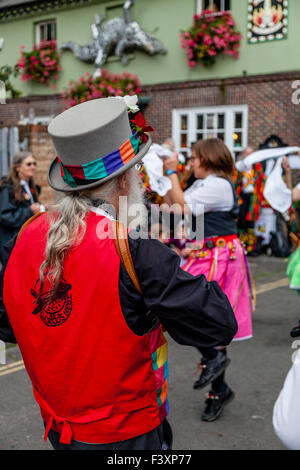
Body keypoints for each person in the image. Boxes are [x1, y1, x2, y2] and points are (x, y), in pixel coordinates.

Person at [0, 97, 238, 450]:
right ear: (126, 182)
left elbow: (9, 326)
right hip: (128, 433)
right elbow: (218, 323)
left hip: (58, 427)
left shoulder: (24, 237)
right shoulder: (135, 249)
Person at [163, 138, 254, 422]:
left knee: (203, 314)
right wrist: (162, 181)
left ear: (207, 158)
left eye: (194, 158)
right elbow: (174, 207)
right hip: (202, 254)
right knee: (183, 308)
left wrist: (170, 173)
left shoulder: (217, 184)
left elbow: (184, 207)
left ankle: (216, 384)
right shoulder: (203, 184)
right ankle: (219, 380)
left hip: (220, 256)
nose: (191, 163)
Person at [0, 151, 44, 262]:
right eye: (29, 164)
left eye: (34, 164)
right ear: (18, 167)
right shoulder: (8, 188)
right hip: (11, 243)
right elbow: (5, 216)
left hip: (25, 240)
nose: (33, 167)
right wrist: (30, 211)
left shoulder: (30, 185)